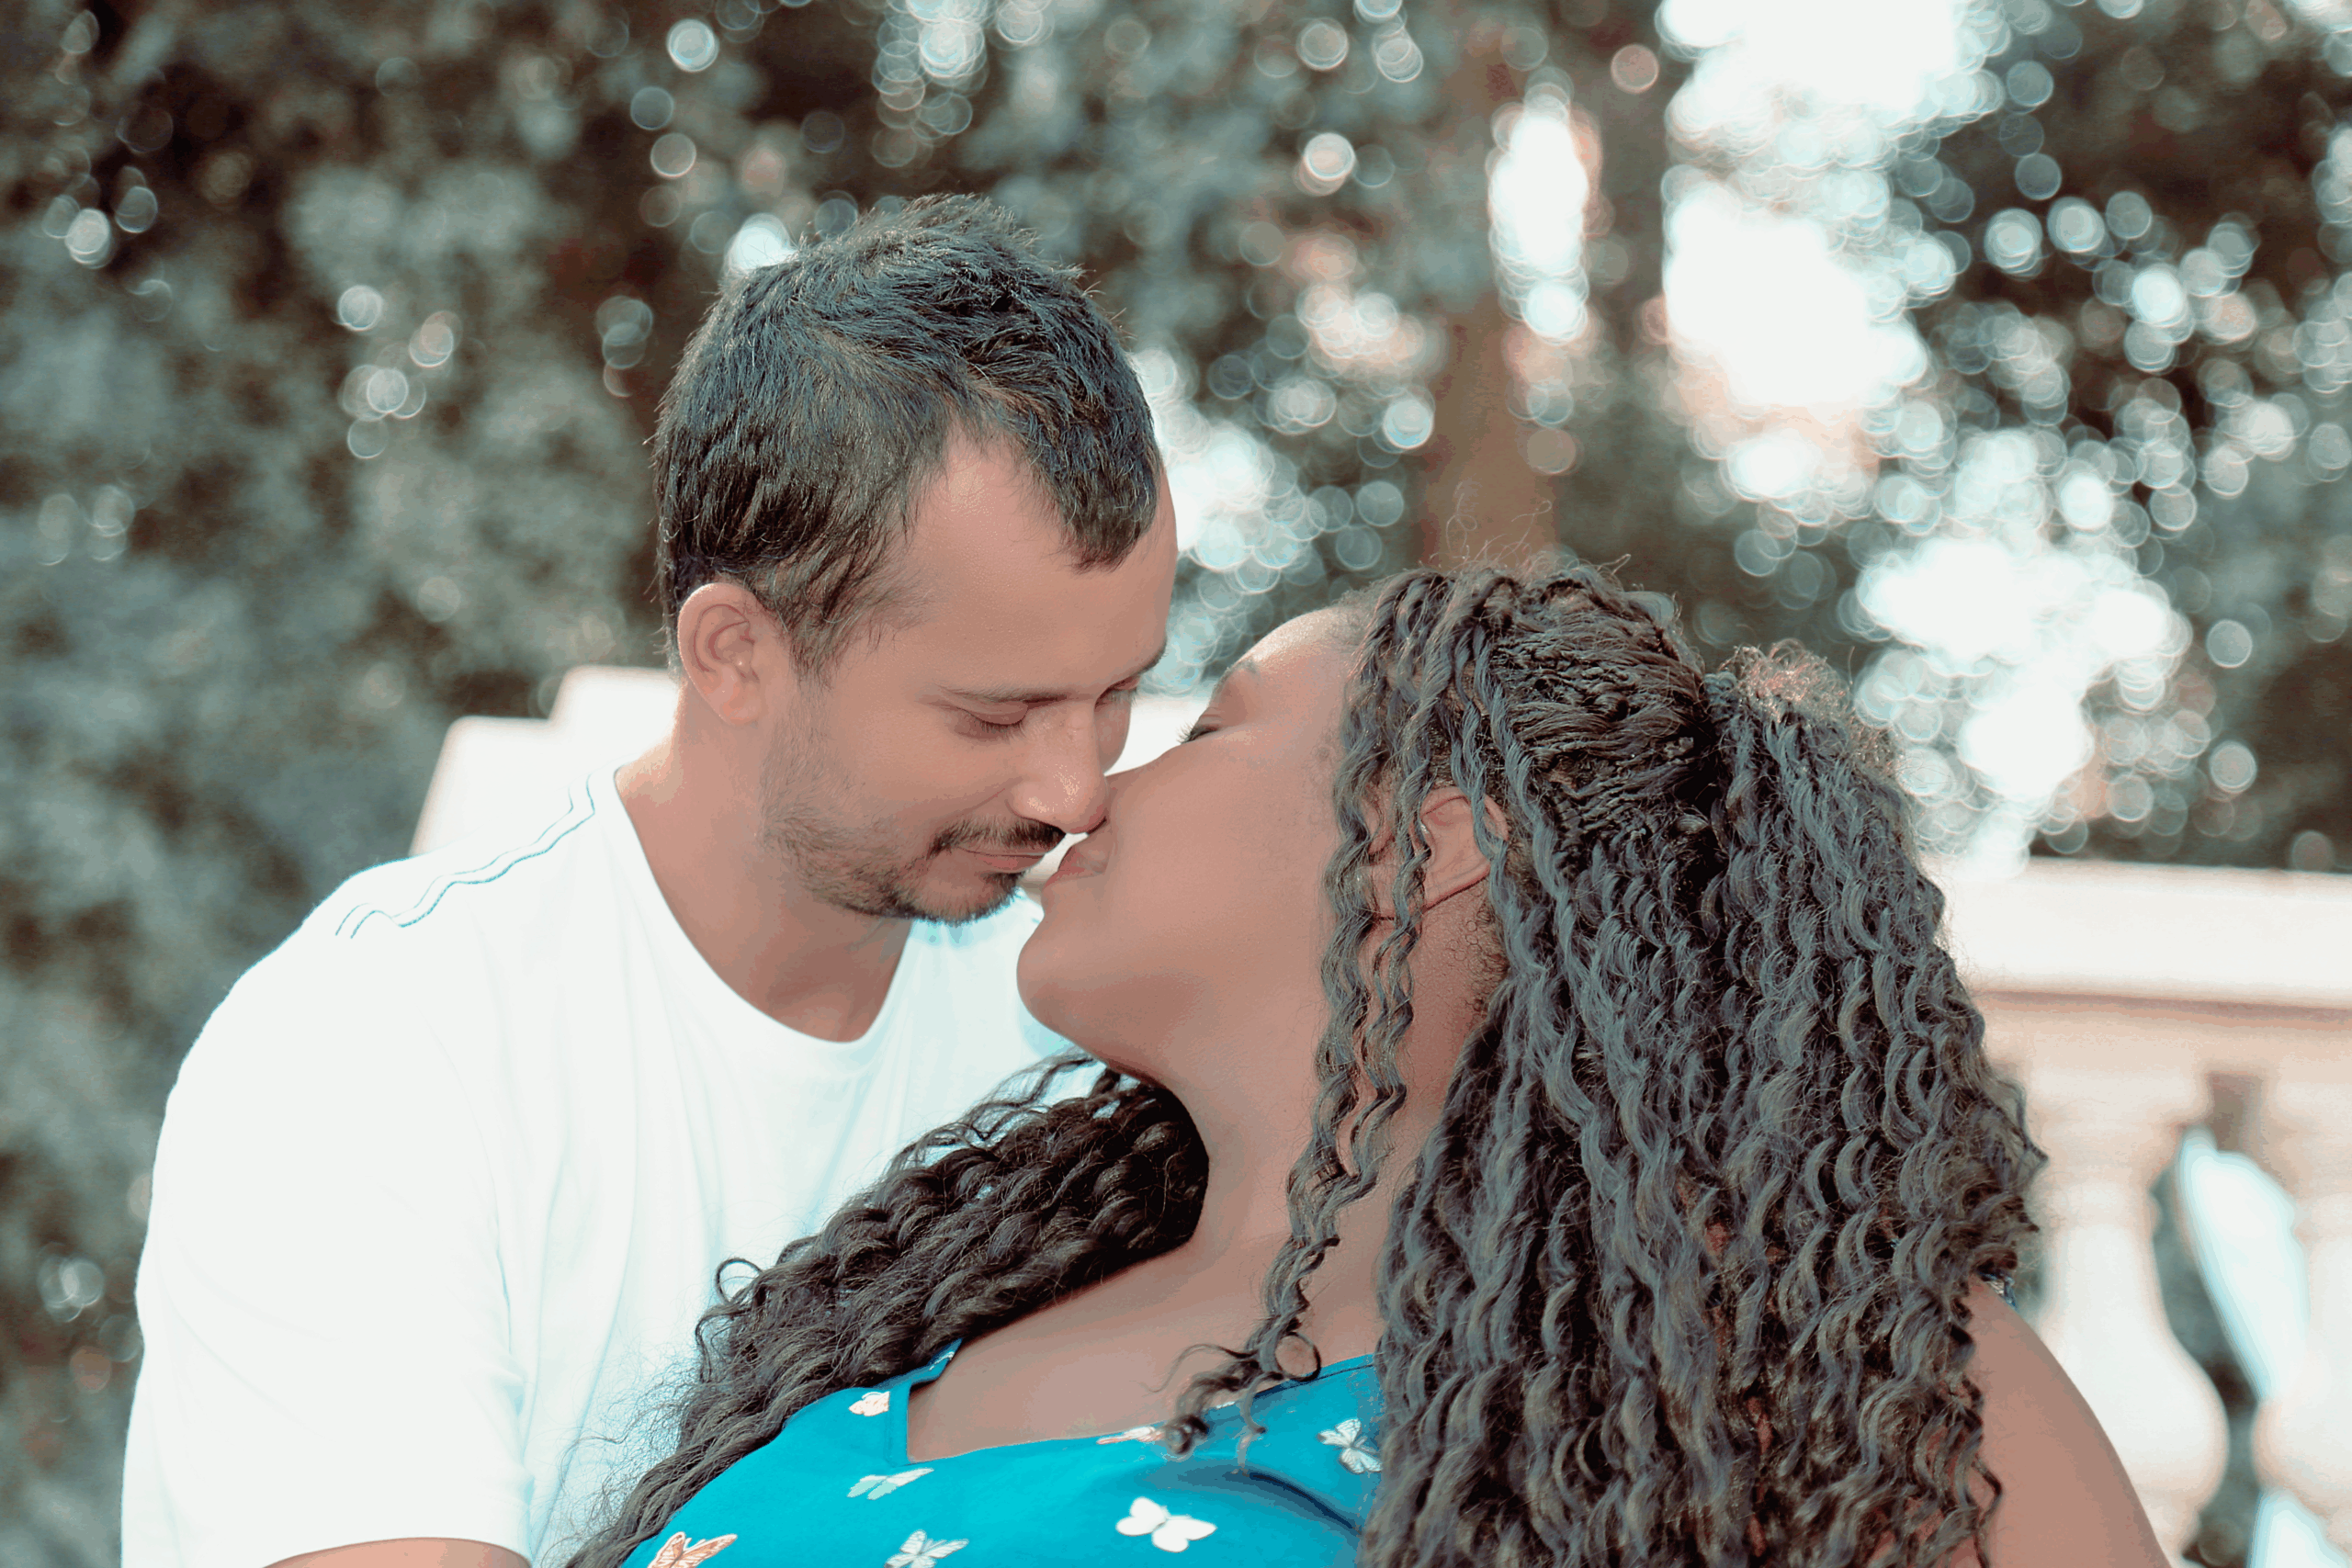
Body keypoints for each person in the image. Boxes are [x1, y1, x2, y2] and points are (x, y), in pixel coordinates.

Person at [570, 565, 2169, 1568]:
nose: (1084, 791)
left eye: (1206, 727)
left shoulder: (1788, 1342)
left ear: (1432, 840)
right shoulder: (919, 1316)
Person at [122, 197, 1178, 1568]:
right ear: (734, 653)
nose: (1076, 792)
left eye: (1118, 694)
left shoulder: (1085, 1035)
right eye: (995, 715)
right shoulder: (379, 1047)